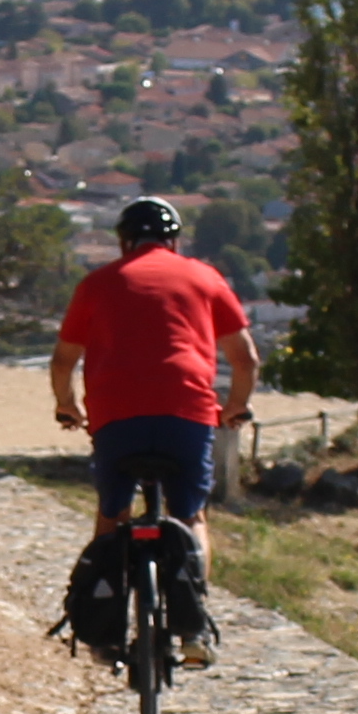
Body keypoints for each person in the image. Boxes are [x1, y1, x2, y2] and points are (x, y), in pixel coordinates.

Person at [48, 194, 259, 664]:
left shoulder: (98, 283)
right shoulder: (205, 277)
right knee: (192, 517)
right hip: (186, 412)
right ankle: (193, 624)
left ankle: (104, 636)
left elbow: (64, 360)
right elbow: (245, 359)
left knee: (112, 516)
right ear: (175, 240)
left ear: (124, 242)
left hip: (115, 416)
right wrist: (236, 408)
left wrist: (67, 407)